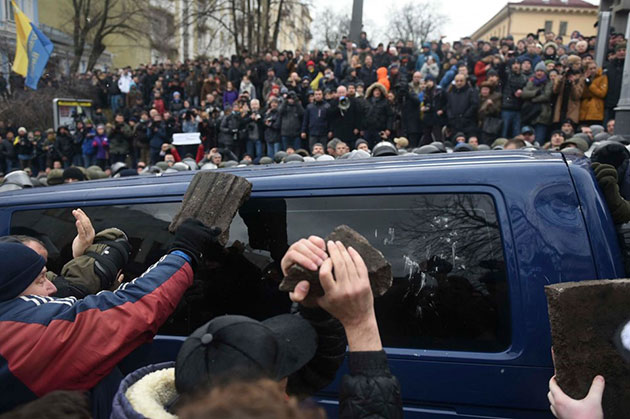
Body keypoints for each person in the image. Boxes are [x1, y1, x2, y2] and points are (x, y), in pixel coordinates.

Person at [0, 219, 220, 417]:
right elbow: (131, 307)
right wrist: (183, 252)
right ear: (12, 289)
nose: (51, 287)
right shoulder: (29, 331)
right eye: (40, 280)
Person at [521, 63, 553, 145]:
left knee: (539, 140)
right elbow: (524, 93)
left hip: (542, 115)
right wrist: (536, 92)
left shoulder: (548, 83)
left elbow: (546, 96)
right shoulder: (531, 82)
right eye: (538, 71)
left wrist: (532, 99)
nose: (539, 73)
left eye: (541, 71)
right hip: (530, 115)